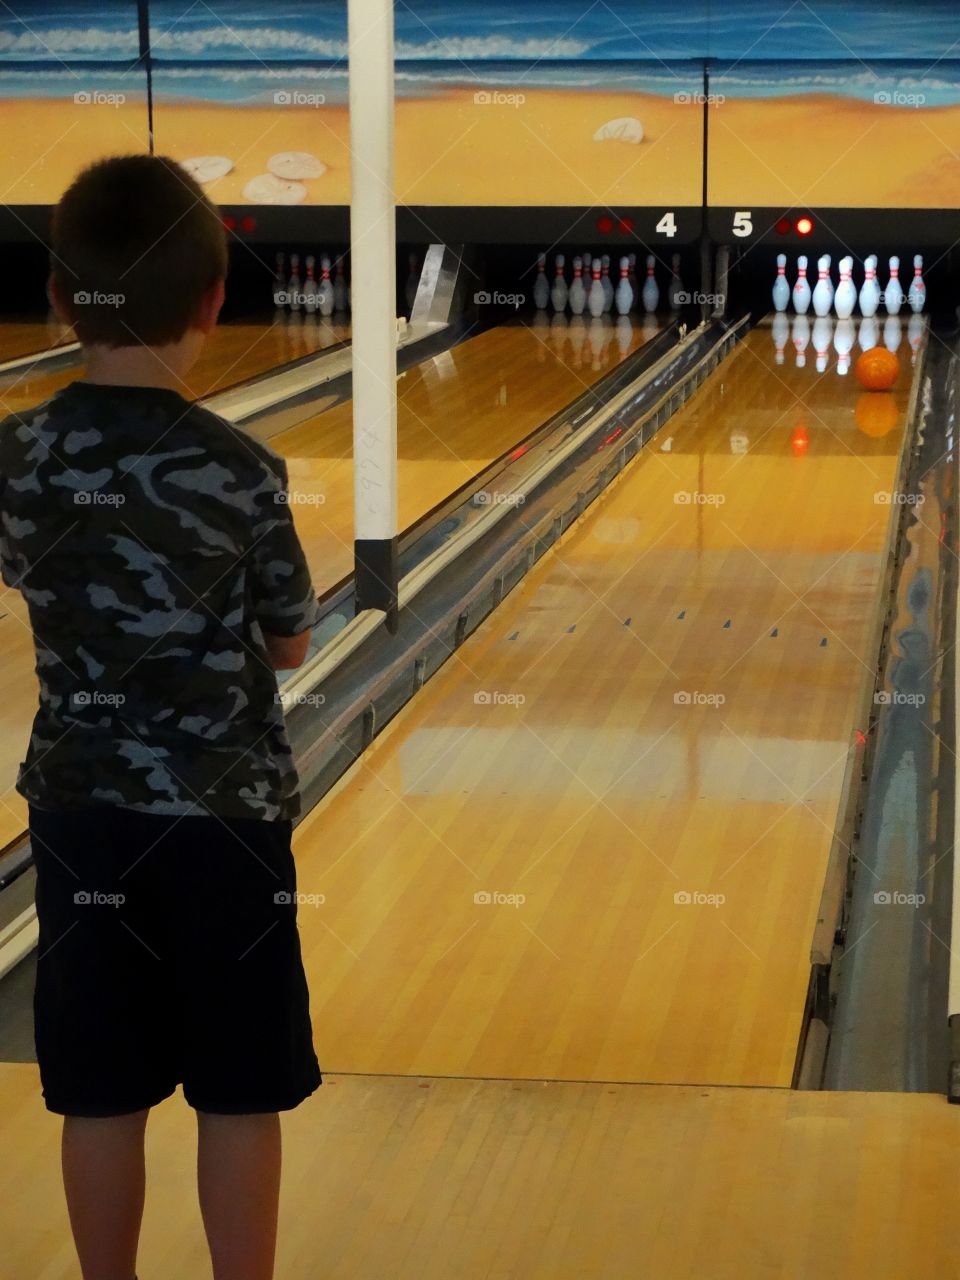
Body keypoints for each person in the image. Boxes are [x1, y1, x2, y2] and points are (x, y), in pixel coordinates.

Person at [0, 154, 322, 1280]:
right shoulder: (242, 468)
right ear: (212, 301)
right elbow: (291, 639)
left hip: (82, 816)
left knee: (100, 1091)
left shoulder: (19, 458)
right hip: (226, 826)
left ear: (56, 297)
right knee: (240, 1090)